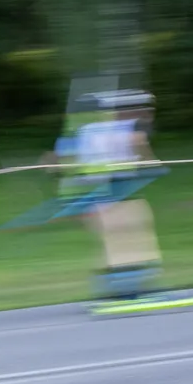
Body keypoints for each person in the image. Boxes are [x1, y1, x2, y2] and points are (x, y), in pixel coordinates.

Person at [53, 89, 164, 301]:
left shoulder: (88, 129)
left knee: (117, 237)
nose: (149, 115)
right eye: (146, 110)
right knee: (130, 235)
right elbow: (142, 152)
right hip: (105, 191)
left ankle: (115, 287)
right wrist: (153, 164)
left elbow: (62, 159)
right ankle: (128, 289)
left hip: (90, 192)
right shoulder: (129, 130)